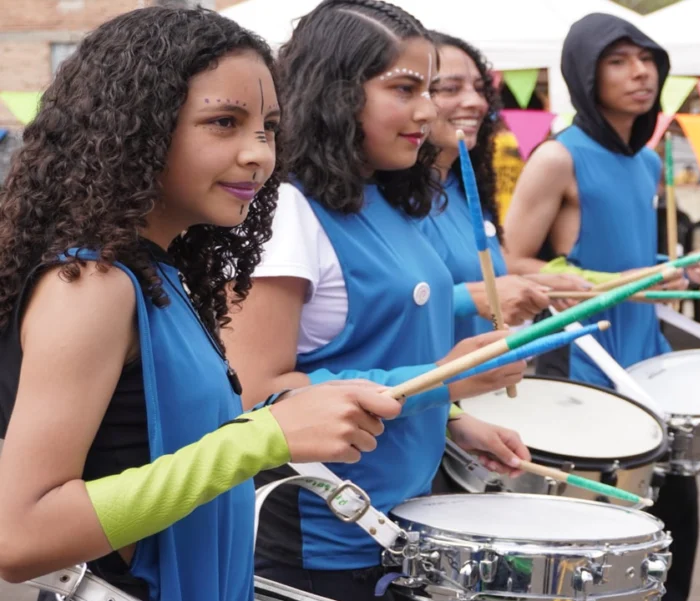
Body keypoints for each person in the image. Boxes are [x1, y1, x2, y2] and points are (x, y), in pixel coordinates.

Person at [0, 7, 401, 601]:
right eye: (224, 123)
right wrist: (260, 438)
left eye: (267, 126)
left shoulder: (161, 270)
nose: (259, 154)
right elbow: (21, 535)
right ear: (137, 126)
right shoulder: (90, 285)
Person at [220, 3, 528, 600]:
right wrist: (446, 380)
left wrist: (453, 421)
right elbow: (256, 394)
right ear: (335, 93)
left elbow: (380, 350)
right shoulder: (286, 211)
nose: (428, 110)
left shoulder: (388, 196)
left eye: (428, 89)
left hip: (408, 524)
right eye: (405, 88)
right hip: (324, 539)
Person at [501, 14, 700, 601]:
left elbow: (630, 254)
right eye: (619, 61)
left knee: (674, 523)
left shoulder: (648, 161)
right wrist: (618, 279)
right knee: (591, 542)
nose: (641, 73)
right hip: (582, 362)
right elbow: (514, 263)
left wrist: (679, 268)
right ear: (585, 74)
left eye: (647, 59)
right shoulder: (558, 157)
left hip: (648, 360)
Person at [418, 31, 589, 345]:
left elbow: (481, 277)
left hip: (485, 382)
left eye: (481, 89)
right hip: (423, 387)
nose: (476, 102)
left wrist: (532, 284)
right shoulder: (380, 196)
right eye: (450, 88)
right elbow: (374, 309)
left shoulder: (464, 189)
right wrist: (473, 297)